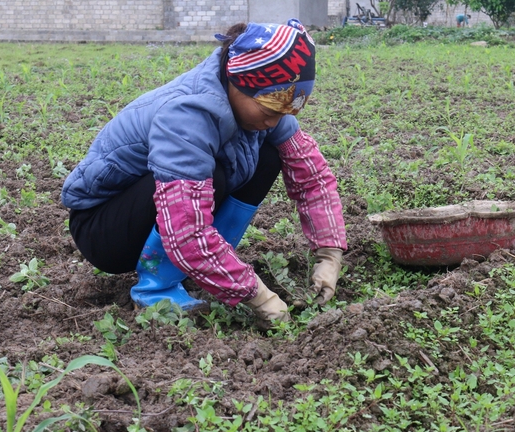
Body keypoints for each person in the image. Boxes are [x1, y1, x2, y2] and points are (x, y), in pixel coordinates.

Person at [61, 19, 347, 329]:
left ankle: (207, 266)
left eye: (284, 113)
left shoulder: (263, 109)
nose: (273, 121)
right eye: (268, 110)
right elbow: (186, 231)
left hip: (160, 218)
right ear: (239, 82)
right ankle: (156, 289)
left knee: (270, 154)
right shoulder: (187, 114)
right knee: (213, 175)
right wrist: (257, 295)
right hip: (103, 229)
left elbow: (312, 176)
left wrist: (329, 255)